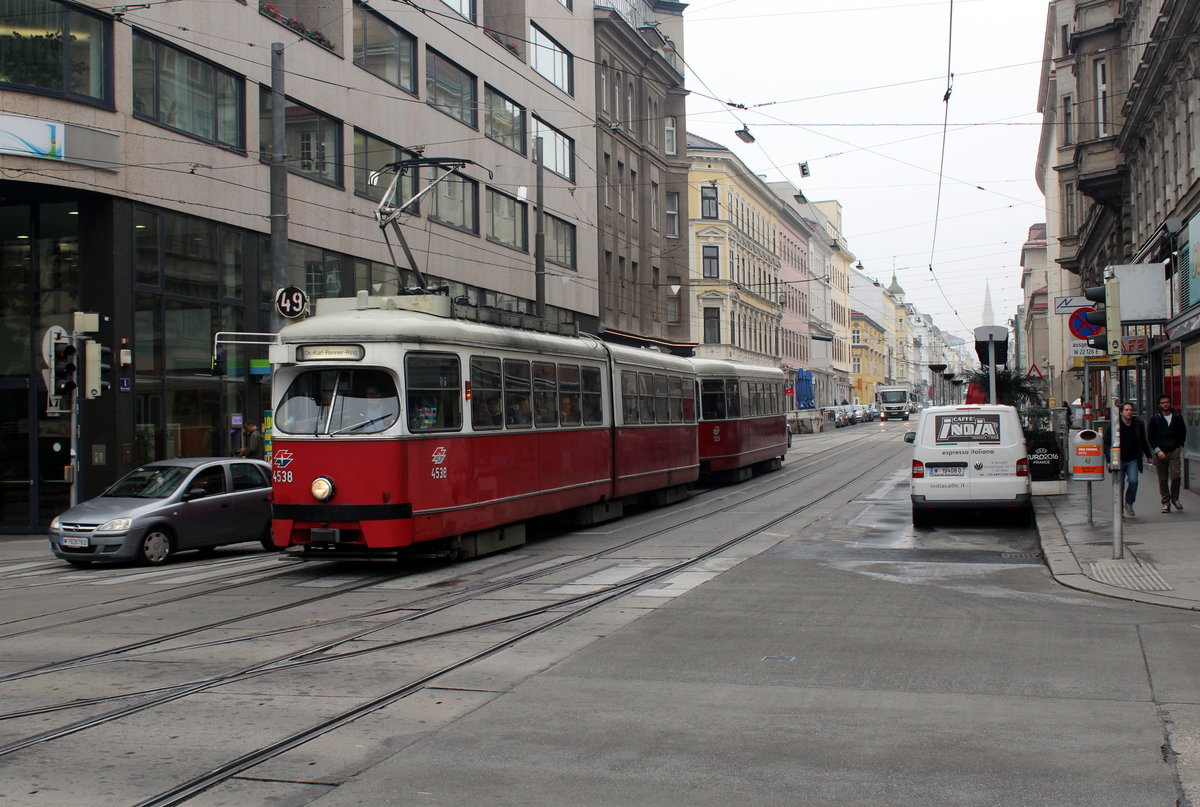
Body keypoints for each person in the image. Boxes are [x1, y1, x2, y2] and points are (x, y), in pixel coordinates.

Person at [1110, 402, 1152, 517]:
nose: (1129, 412)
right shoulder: (1115, 425)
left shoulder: (1137, 424)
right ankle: (1119, 509)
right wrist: (1109, 461)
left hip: (1132, 459)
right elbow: (1107, 442)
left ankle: (1129, 503)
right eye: (1127, 410)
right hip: (1118, 459)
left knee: (1133, 481)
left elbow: (1143, 440)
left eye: (1131, 410)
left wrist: (1148, 455)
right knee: (1120, 485)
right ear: (1121, 412)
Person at [1148, 393, 1187, 513]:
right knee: (1163, 478)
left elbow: (1183, 432)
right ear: (1159, 405)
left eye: (1167, 402)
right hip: (1160, 452)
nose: (1165, 404)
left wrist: (1179, 445)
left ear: (1170, 403)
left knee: (1176, 475)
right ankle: (1166, 502)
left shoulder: (1177, 417)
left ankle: (1175, 498)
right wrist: (1157, 450)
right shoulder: (1155, 419)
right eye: (1163, 403)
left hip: (1174, 450)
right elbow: (1151, 436)